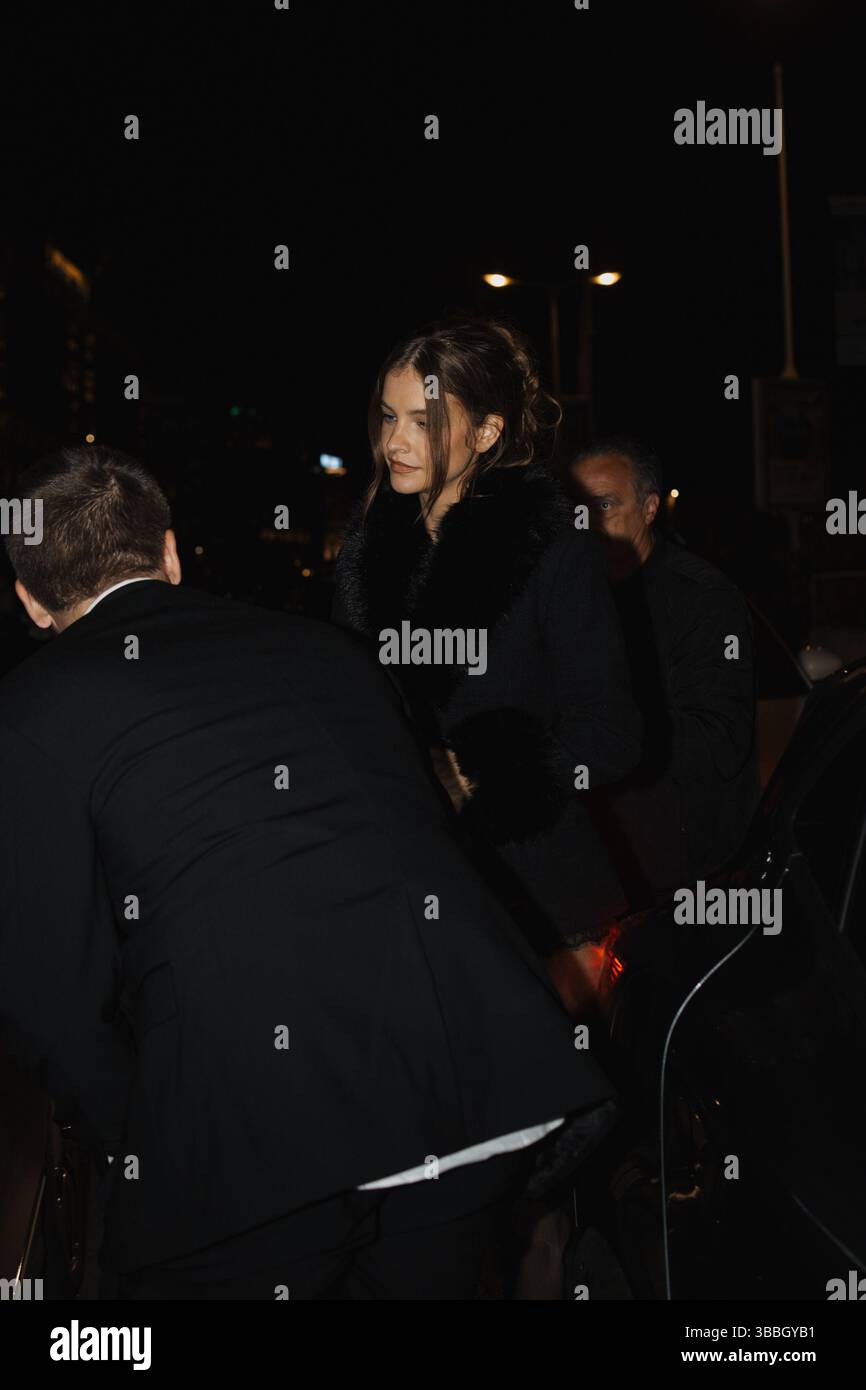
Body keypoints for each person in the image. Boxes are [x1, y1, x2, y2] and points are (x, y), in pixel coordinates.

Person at [0, 445, 620, 1300]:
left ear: (31, 601)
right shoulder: (326, 651)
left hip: (253, 1136)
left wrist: (142, 1143)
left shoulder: (32, 707)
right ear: (171, 555)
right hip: (463, 1080)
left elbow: (53, 1001)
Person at [332, 317, 642, 957]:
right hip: (407, 881)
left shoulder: (552, 549)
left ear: (486, 431)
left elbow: (614, 736)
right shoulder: (364, 552)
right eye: (389, 417)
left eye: (424, 421)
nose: (397, 440)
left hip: (538, 895)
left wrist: (477, 778)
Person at [569, 436, 759, 911]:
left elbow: (720, 741)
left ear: (649, 508)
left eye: (606, 505)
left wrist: (614, 723)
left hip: (682, 885)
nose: (589, 523)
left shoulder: (703, 600)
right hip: (597, 873)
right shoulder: (569, 597)